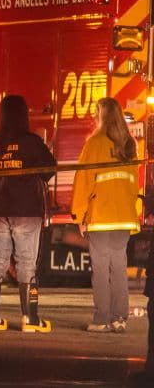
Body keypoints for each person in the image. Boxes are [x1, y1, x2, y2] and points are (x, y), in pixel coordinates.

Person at [0, 94, 56, 334]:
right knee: (26, 262)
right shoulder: (32, 141)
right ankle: (30, 319)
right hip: (26, 209)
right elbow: (49, 169)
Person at [71, 97, 141, 333]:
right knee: (119, 267)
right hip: (124, 216)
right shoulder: (129, 144)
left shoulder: (95, 143)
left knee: (101, 269)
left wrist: (79, 215)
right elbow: (133, 183)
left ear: (100, 116)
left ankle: (101, 319)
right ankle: (120, 317)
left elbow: (83, 180)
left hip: (101, 216)